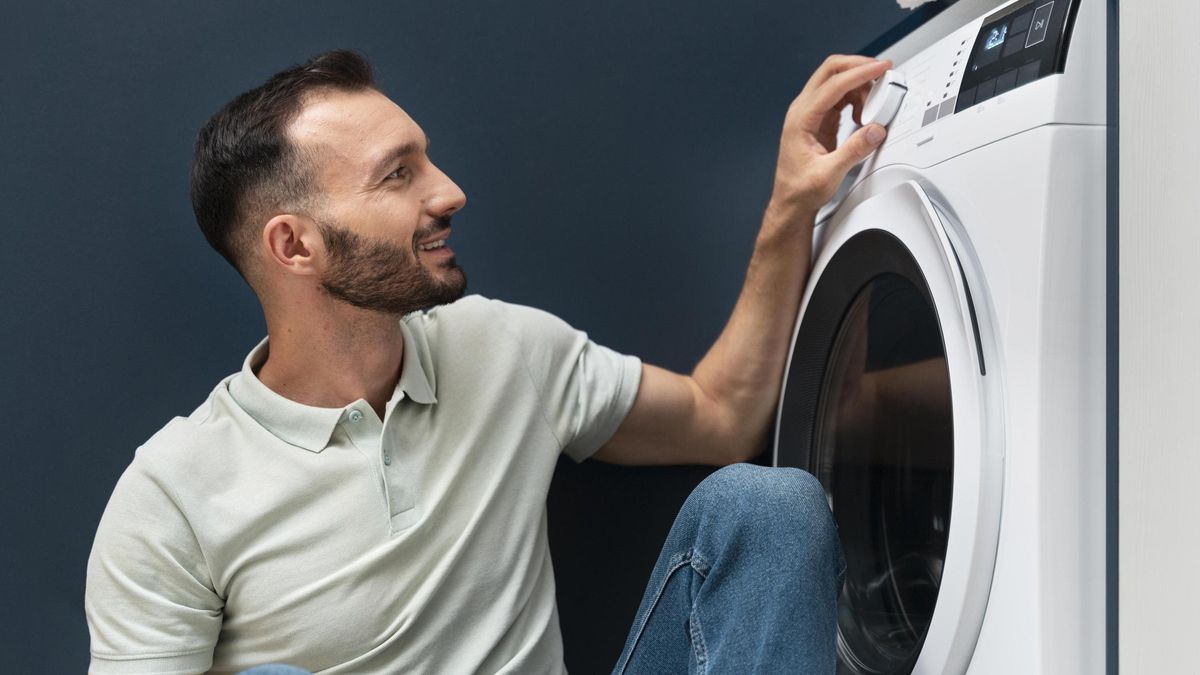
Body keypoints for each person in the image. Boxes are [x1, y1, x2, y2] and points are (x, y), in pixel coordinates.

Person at [85, 49, 890, 674]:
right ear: (294, 244)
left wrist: (791, 207)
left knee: (768, 506)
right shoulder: (172, 498)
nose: (449, 191)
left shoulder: (501, 345)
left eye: (426, 159)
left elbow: (720, 416)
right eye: (398, 174)